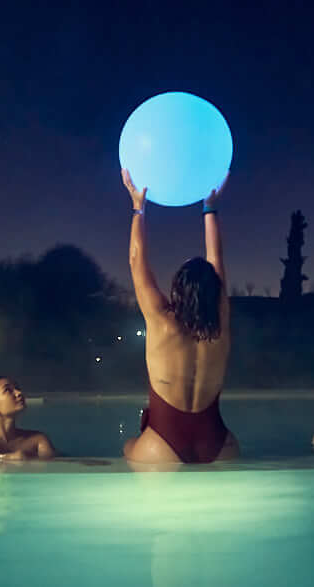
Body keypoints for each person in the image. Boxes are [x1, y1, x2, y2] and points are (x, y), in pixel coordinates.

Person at [121, 169, 239, 463]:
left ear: (176, 289)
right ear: (216, 291)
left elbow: (136, 260)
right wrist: (210, 207)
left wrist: (138, 207)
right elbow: (217, 259)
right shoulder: (220, 323)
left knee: (128, 449)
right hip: (219, 443)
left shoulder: (162, 321)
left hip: (163, 444)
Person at [0, 376, 56, 460]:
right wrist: (10, 457)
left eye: (17, 388)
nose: (19, 393)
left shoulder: (38, 440)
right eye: (8, 390)